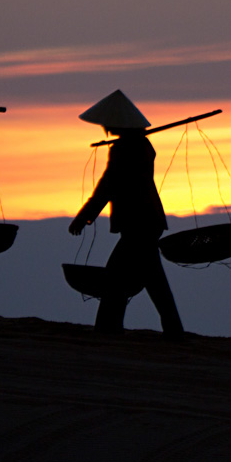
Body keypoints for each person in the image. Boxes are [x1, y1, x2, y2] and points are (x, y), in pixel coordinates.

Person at [69, 90, 184, 337]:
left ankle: (108, 328)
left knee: (118, 277)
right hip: (147, 221)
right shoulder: (140, 145)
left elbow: (108, 185)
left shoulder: (127, 149)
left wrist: (84, 216)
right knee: (149, 278)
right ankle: (170, 329)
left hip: (138, 222)